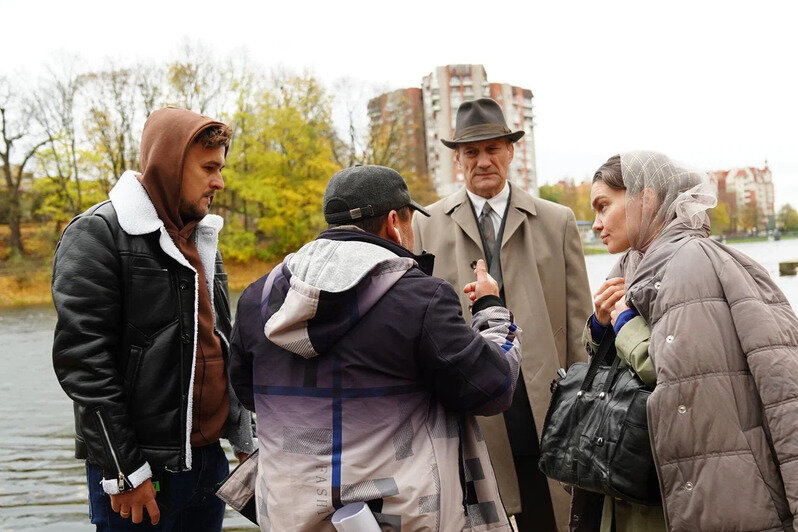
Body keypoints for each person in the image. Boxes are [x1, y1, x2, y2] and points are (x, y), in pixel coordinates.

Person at [229, 164, 522, 531]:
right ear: (394, 223)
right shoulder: (421, 297)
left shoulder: (258, 297)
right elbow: (492, 388)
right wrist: (491, 310)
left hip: (290, 516)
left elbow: (247, 393)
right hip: (405, 518)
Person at [571, 151, 798, 531]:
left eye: (603, 206)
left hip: (692, 484)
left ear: (646, 198)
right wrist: (599, 325)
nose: (596, 224)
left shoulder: (688, 262)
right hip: (643, 475)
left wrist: (624, 320)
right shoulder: (634, 263)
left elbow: (673, 374)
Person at [51, 107, 255, 531]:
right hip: (140, 474)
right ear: (171, 163)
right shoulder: (97, 232)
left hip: (207, 462)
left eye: (221, 168)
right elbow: (82, 363)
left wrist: (243, 431)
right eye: (209, 168)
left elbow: (220, 340)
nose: (219, 181)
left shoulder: (202, 237)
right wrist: (125, 470)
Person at [413, 98, 593, 530]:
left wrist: (583, 402)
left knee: (552, 515)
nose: (483, 161)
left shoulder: (558, 220)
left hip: (548, 405)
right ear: (457, 159)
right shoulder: (426, 225)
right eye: (471, 152)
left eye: (493, 148)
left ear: (511, 151)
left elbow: (578, 321)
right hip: (470, 409)